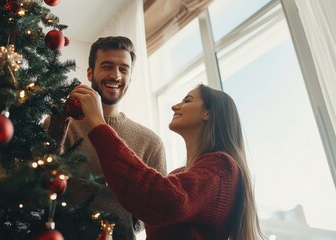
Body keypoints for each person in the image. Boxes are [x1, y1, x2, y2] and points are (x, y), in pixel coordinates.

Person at [69, 83, 265, 240]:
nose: (175, 106)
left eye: (187, 100)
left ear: (208, 113)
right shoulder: (178, 174)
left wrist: (98, 123)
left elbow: (161, 198)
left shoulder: (222, 168)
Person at [45, 36, 166, 239]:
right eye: (107, 66)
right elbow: (37, 181)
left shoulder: (150, 142)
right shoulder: (59, 122)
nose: (116, 76)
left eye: (124, 69)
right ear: (90, 72)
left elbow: (155, 212)